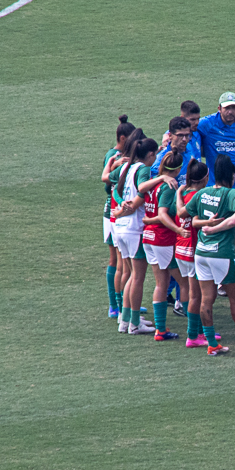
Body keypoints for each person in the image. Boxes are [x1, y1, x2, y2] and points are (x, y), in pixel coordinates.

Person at [183, 155, 235, 356]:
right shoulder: (231, 193)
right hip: (222, 254)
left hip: (201, 252)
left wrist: (179, 194)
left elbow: (184, 213)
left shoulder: (202, 193)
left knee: (206, 299)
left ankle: (212, 344)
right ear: (232, 175)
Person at [110, 134, 159, 335]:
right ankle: (135, 323)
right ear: (150, 154)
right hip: (134, 228)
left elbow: (112, 186)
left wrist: (120, 204)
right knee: (137, 277)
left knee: (130, 274)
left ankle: (125, 320)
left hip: (120, 228)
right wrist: (128, 207)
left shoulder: (125, 167)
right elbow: (141, 192)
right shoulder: (144, 169)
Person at [141, 151, 191, 342]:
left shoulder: (154, 183)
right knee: (184, 283)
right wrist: (178, 229)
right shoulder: (169, 186)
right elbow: (162, 214)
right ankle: (195, 330)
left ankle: (160, 330)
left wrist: (149, 220)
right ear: (178, 169)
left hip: (149, 237)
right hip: (163, 239)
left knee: (161, 284)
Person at [173, 159, 217, 348]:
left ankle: (200, 331)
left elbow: (179, 213)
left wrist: (178, 193)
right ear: (205, 177)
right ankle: (193, 336)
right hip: (191, 249)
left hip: (180, 248)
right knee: (196, 295)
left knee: (192, 292)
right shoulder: (198, 196)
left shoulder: (184, 194)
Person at [104, 115, 135, 318]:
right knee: (117, 261)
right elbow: (107, 184)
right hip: (113, 213)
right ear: (123, 138)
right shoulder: (113, 155)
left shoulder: (125, 155)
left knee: (123, 263)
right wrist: (114, 166)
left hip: (117, 212)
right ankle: (115, 304)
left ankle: (125, 302)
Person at [151, 116, 196, 183]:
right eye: (180, 135)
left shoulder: (189, 147)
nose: (184, 139)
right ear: (170, 136)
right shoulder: (162, 159)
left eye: (187, 135)